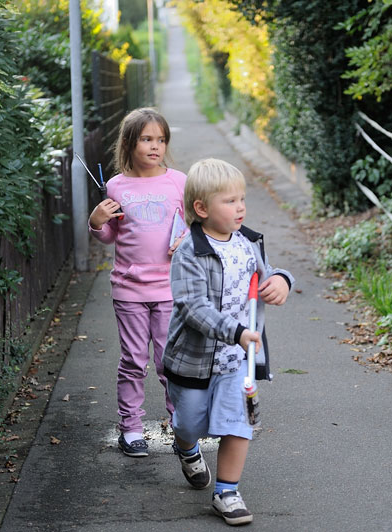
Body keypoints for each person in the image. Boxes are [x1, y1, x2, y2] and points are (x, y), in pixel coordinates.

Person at [162, 158, 293, 526]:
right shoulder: (190, 251)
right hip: (193, 360)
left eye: (242, 199)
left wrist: (282, 280)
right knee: (190, 424)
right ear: (202, 209)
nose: (240, 208)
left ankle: (227, 492)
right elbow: (193, 308)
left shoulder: (248, 243)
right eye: (230, 201)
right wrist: (236, 331)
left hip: (237, 360)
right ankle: (186, 446)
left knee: (238, 422)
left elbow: (268, 274)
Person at [88, 108, 186, 457]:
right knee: (133, 360)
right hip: (129, 289)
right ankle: (130, 428)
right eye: (146, 139)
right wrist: (96, 221)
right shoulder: (116, 185)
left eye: (161, 140)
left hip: (169, 289)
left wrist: (187, 240)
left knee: (170, 362)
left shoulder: (179, 182)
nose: (155, 146)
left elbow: (195, 226)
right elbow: (109, 235)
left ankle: (181, 426)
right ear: (129, 143)